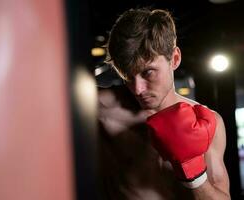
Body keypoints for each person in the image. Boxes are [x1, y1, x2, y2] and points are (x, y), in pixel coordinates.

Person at [98, 8, 230, 200]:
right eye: (128, 76)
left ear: (174, 59)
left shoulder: (209, 122)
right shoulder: (102, 108)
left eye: (148, 72)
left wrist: (193, 173)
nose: (137, 89)